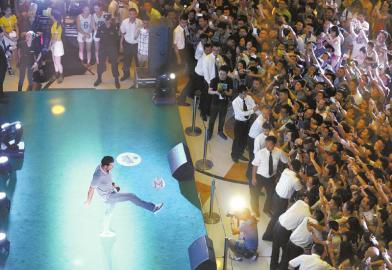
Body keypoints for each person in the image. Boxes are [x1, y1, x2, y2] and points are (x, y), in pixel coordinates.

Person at [85, 156, 163, 236]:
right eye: (111, 165)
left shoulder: (104, 168)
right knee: (131, 196)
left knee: (109, 211)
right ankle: (153, 208)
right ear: (105, 166)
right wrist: (88, 201)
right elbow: (91, 189)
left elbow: (107, 180)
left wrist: (115, 186)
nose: (113, 166)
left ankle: (105, 230)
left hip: (112, 192)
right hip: (109, 197)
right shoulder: (98, 176)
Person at [251, 135, 288, 218]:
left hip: (271, 178)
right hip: (260, 176)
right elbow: (255, 166)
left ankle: (266, 209)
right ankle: (255, 209)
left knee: (271, 194)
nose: (267, 146)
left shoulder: (279, 152)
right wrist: (253, 177)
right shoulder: (260, 153)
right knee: (255, 193)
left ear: (274, 144)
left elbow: (286, 160)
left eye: (270, 144)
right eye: (266, 144)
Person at [231, 85, 258, 163]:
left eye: (246, 93)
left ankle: (240, 153)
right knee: (237, 140)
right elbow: (242, 113)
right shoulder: (235, 102)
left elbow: (254, 106)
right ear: (239, 93)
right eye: (243, 93)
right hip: (239, 123)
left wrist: (260, 113)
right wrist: (252, 111)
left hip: (247, 123)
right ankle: (234, 155)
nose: (245, 95)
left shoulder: (248, 97)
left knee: (244, 140)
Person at [94, 14, 120, 89]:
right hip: (103, 48)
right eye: (105, 20)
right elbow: (97, 36)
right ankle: (99, 78)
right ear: (104, 20)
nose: (107, 21)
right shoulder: (101, 27)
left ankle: (116, 79)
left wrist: (116, 50)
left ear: (110, 19)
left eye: (108, 20)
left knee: (114, 64)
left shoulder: (114, 27)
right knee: (100, 64)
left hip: (112, 48)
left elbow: (117, 38)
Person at [207, 65, 233, 140]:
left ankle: (220, 131)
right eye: (220, 74)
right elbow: (209, 91)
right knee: (212, 119)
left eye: (224, 74)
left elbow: (230, 93)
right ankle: (210, 131)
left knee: (222, 119)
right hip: (215, 102)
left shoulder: (229, 80)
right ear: (218, 72)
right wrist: (216, 92)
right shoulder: (214, 80)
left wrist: (225, 92)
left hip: (224, 103)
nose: (221, 76)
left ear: (227, 74)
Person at [120, 8, 142, 86]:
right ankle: (126, 74)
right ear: (128, 14)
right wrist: (121, 44)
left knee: (138, 61)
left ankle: (139, 76)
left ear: (136, 14)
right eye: (131, 14)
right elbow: (122, 33)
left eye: (134, 14)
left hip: (137, 44)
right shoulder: (124, 22)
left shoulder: (140, 22)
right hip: (127, 44)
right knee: (126, 61)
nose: (132, 16)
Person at [49, 11, 64, 83]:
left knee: (58, 62)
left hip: (57, 45)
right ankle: (56, 73)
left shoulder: (57, 25)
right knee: (54, 61)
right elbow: (52, 36)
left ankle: (61, 75)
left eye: (51, 15)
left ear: (53, 16)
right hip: (54, 44)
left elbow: (55, 37)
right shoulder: (54, 24)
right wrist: (50, 44)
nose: (50, 16)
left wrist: (51, 45)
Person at [0, 27, 7, 98]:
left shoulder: (2, 42)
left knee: (1, 80)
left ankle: (1, 94)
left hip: (3, 67)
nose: (2, 35)